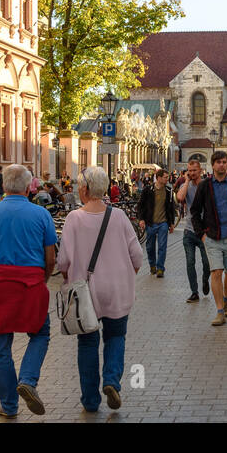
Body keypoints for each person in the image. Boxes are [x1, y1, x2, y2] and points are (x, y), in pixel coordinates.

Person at [0, 164, 57, 420]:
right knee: (40, 333)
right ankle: (28, 379)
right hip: (30, 285)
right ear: (30, 187)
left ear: (3, 185)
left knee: (0, 346)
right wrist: (44, 278)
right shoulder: (41, 215)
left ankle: (8, 406)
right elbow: (50, 257)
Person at [56, 166, 144, 413]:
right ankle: (112, 381)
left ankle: (90, 400)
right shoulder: (118, 217)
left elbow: (63, 261)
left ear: (84, 189)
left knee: (87, 343)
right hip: (117, 290)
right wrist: (125, 275)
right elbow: (137, 256)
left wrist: (68, 278)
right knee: (116, 337)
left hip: (86, 292)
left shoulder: (74, 219)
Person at [189, 150, 227, 326]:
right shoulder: (205, 185)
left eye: (224, 162)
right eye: (218, 162)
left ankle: (225, 297)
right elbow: (195, 211)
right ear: (213, 165)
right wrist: (201, 233)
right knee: (216, 272)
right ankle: (219, 311)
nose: (221, 165)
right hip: (212, 238)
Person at [175, 158, 211, 302]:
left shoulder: (206, 186)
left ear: (200, 170)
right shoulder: (187, 185)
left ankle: (205, 279)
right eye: (189, 171)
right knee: (190, 262)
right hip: (189, 230)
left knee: (207, 263)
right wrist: (186, 181)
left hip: (204, 231)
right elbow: (180, 197)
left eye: (194, 170)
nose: (192, 173)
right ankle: (194, 292)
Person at [137, 168, 176, 278]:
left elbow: (171, 208)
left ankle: (160, 268)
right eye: (165, 177)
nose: (167, 179)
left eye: (167, 177)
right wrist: (141, 219)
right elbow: (141, 205)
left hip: (163, 223)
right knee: (150, 247)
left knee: (162, 246)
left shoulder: (169, 191)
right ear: (158, 178)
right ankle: (152, 264)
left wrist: (171, 223)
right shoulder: (148, 190)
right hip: (150, 222)